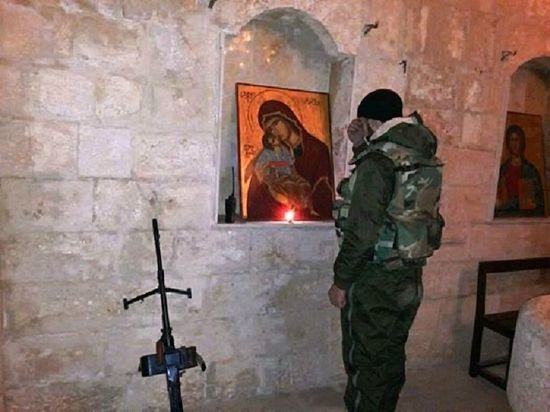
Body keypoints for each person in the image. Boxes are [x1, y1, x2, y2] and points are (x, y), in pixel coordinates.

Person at [328, 89, 444, 411]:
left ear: (370, 121)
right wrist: (360, 146)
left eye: (362, 121)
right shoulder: (419, 152)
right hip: (408, 272)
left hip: (375, 277)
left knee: (365, 359)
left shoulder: (378, 161)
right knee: (389, 353)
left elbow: (362, 231)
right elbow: (397, 199)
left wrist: (341, 281)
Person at [246, 100, 334, 221]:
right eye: (269, 130)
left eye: (276, 123)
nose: (274, 131)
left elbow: (323, 193)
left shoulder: (317, 150)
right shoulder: (271, 153)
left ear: (287, 118)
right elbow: (256, 199)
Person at [253, 131, 316, 214]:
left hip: (289, 173)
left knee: (304, 184)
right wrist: (272, 166)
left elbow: (290, 163)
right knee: (289, 185)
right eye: (271, 140)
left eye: (275, 138)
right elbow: (261, 165)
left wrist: (294, 173)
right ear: (268, 142)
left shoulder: (284, 150)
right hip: (277, 175)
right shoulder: (266, 153)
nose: (275, 140)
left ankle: (307, 208)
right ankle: (293, 206)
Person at [495, 125, 545, 217]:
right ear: (508, 143)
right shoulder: (502, 170)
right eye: (511, 140)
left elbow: (538, 202)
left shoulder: (530, 171)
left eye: (517, 140)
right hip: (504, 217)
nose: (514, 144)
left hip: (524, 217)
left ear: (522, 142)